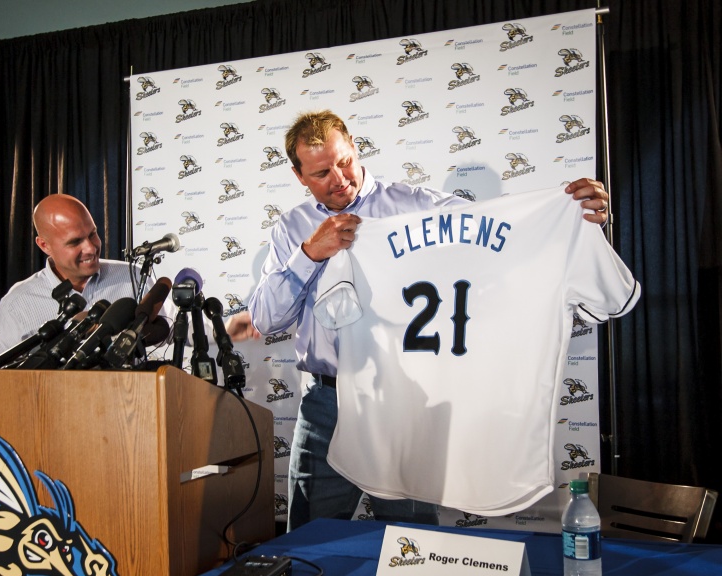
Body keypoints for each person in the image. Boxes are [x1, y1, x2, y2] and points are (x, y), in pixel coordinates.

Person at [228, 109, 612, 531]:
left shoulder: (416, 205)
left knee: (413, 541)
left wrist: (568, 210)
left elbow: (500, 232)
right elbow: (268, 317)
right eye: (321, 172)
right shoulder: (292, 229)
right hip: (326, 403)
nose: (338, 179)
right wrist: (311, 253)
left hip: (404, 398)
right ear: (300, 176)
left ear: (355, 147)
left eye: (344, 162)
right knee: (308, 537)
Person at [0, 194, 148, 367]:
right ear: (45, 245)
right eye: (75, 242)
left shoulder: (133, 277)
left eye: (92, 234)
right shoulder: (17, 304)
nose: (90, 248)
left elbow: (168, 344)